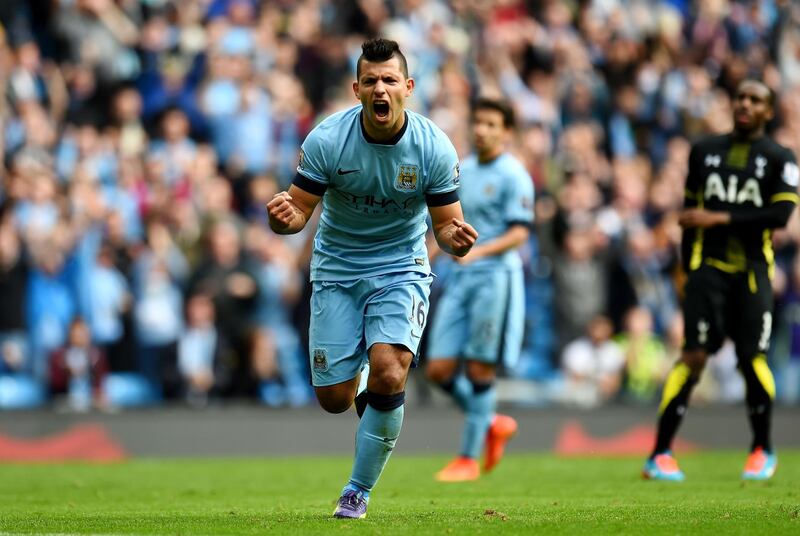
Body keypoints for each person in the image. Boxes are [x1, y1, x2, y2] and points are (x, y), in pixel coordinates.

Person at [266, 38, 477, 519]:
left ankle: (357, 491)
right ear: (356, 88)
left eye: (389, 80)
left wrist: (453, 239)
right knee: (334, 400)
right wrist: (283, 219)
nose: (380, 88)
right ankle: (361, 381)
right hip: (337, 268)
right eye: (371, 81)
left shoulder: (433, 147)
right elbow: (299, 210)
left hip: (401, 266)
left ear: (408, 87)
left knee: (390, 369)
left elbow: (445, 224)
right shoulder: (326, 140)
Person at [642, 80, 799, 481]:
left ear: (768, 111)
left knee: (752, 358)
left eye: (756, 100)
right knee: (693, 356)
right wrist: (688, 270)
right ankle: (659, 454)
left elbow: (780, 218)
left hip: (752, 272)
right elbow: (690, 217)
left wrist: (720, 218)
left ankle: (762, 449)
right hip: (706, 270)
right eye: (741, 97)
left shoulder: (782, 158)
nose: (746, 104)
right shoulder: (704, 151)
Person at [424, 98, 534, 481]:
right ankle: (491, 421)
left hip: (494, 278)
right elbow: (446, 222)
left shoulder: (514, 175)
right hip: (460, 278)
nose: (481, 130)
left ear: (506, 132)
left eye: (490, 124)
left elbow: (520, 232)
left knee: (478, 366)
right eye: (478, 122)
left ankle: (468, 460)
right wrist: (428, 253)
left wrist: (478, 251)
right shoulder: (461, 170)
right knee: (437, 369)